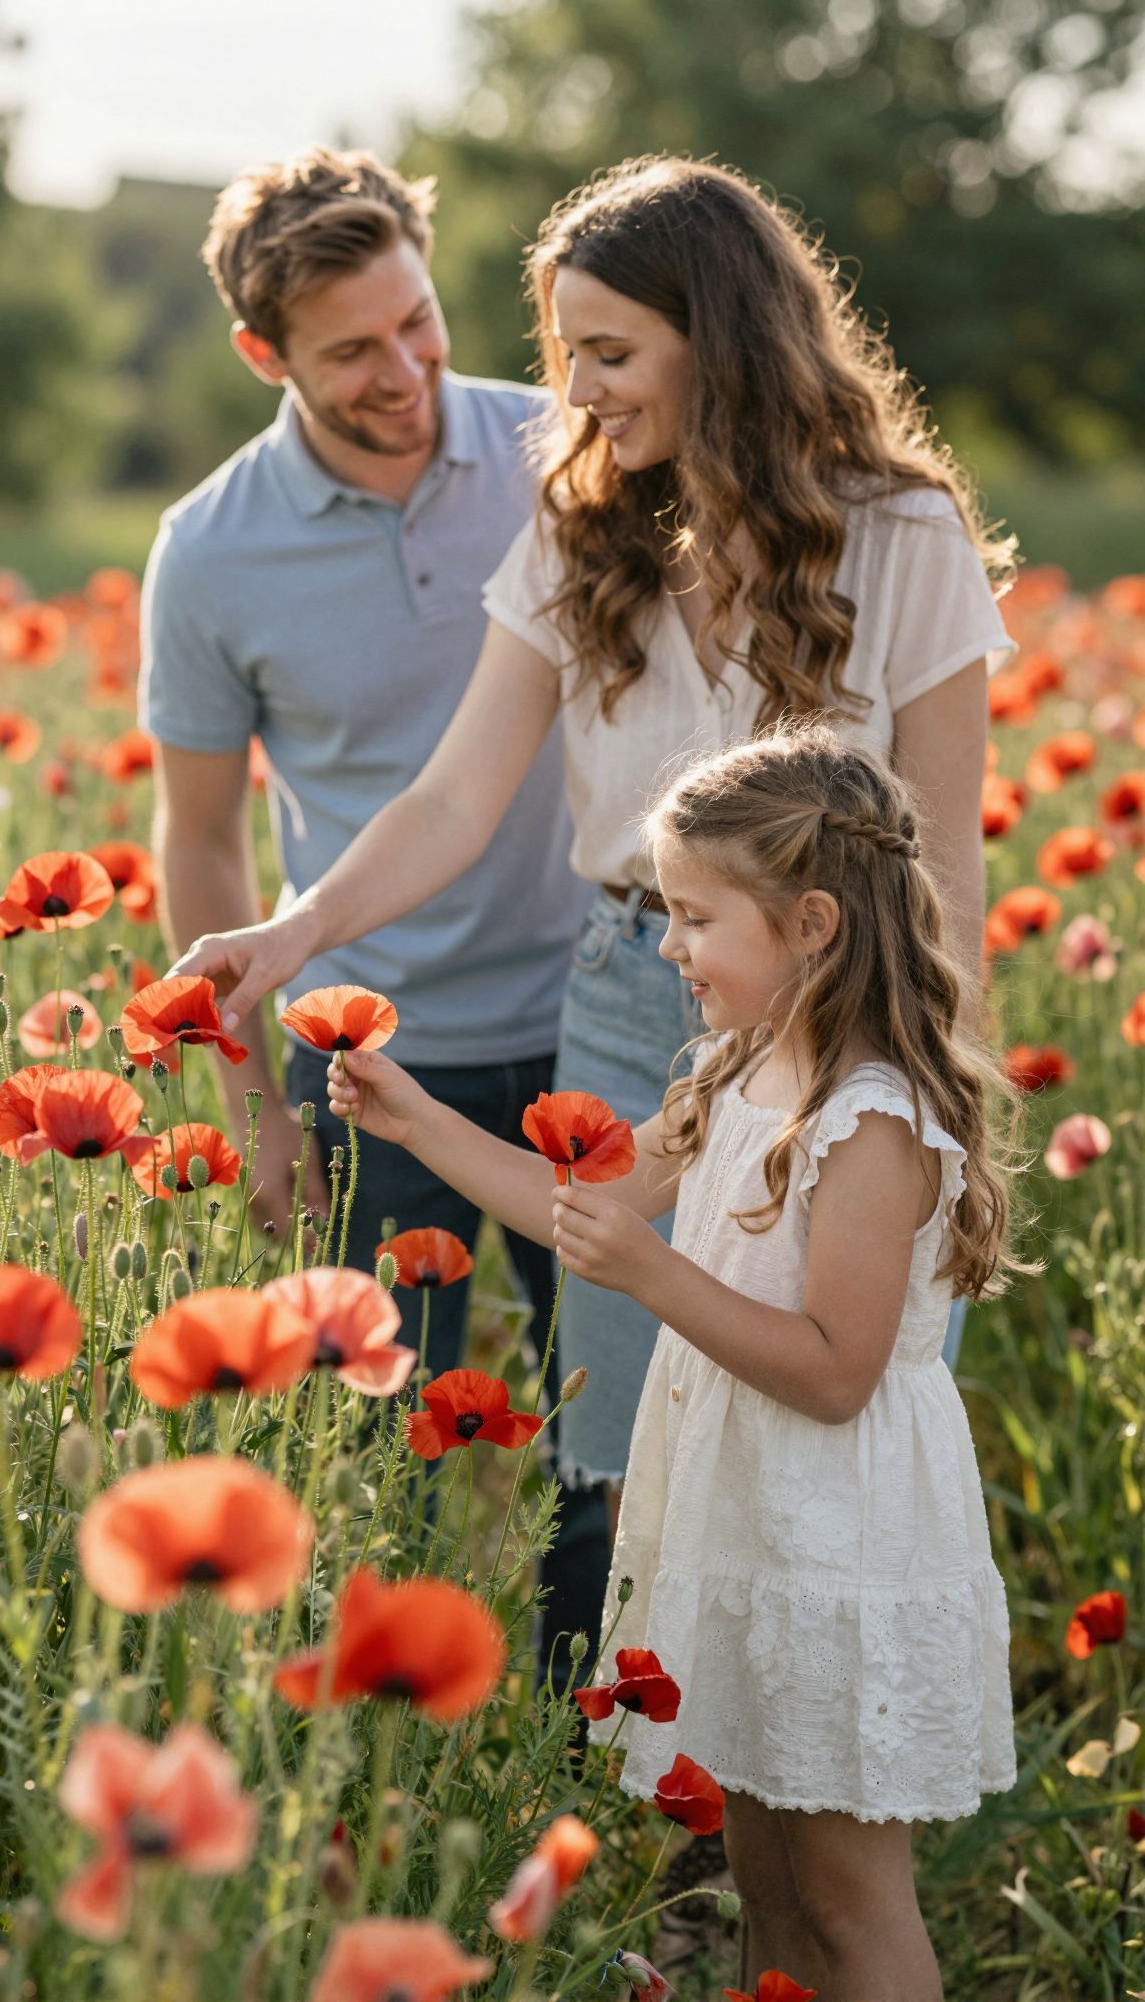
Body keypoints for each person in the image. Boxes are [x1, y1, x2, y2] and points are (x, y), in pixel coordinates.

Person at [171, 152, 1017, 1525]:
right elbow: (453, 797)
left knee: (832, 1451)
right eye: (566, 355)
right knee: (614, 1462)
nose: (575, 393)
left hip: (853, 1018)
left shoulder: (906, 534)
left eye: (611, 352)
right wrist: (298, 929)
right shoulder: (582, 531)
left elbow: (944, 865)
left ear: (722, 340)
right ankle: (610, 1744)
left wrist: (933, 1087)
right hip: (636, 997)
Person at [327, 728, 1020, 2000]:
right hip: (742, 1517)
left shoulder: (871, 1120)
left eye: (695, 917)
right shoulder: (742, 1067)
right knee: (761, 1875)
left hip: (839, 1540)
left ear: (811, 923)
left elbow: (834, 1372)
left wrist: (655, 1277)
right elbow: (576, 1201)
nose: (667, 946)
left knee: (851, 1896)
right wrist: (414, 1111)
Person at [138, 147, 599, 1676]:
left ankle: (605, 1753)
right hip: (364, 1060)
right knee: (365, 1448)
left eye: (421, 321)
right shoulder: (211, 551)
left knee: (612, 1431)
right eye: (353, 349)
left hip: (602, 1023)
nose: (406, 369)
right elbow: (199, 844)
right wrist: (253, 1105)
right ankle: (394, 1782)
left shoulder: (565, 451)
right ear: (264, 356)